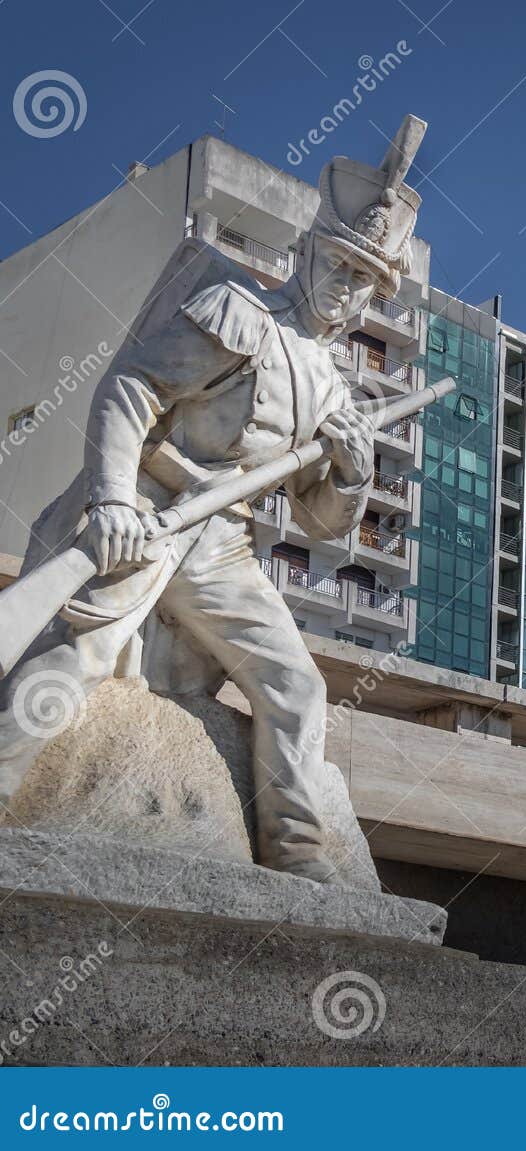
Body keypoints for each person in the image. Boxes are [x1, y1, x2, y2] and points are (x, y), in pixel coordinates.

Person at [0, 118, 427, 883]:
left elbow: (319, 522)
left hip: (221, 542)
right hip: (149, 498)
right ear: (307, 251)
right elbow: (129, 389)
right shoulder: (240, 312)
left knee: (295, 684)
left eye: (365, 279)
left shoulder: (333, 387)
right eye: (340, 263)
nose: (348, 286)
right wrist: (110, 500)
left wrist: (355, 474)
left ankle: (297, 849)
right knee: (81, 651)